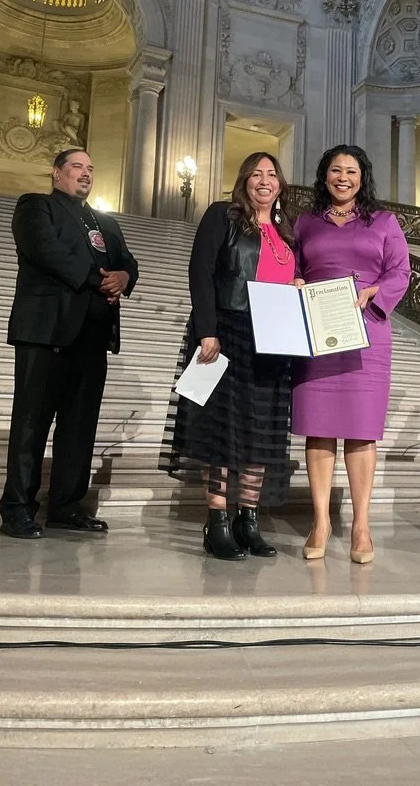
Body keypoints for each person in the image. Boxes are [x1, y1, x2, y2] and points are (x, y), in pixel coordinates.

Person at [0, 149, 139, 539]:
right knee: (31, 424)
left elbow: (128, 261)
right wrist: (100, 279)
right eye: (77, 166)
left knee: (79, 427)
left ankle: (66, 505)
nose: (86, 173)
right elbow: (46, 251)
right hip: (46, 332)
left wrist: (125, 277)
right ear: (57, 173)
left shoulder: (104, 221)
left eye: (91, 168)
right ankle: (17, 508)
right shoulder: (36, 206)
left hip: (92, 337)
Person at [168, 153, 295, 560]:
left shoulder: (285, 231)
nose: (265, 180)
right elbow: (200, 270)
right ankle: (218, 521)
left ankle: (248, 520)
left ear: (280, 185)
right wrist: (207, 329)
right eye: (256, 173)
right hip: (227, 331)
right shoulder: (222, 215)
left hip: (272, 342)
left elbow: (285, 278)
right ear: (244, 180)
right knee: (221, 431)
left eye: (272, 174)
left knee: (260, 433)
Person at [292, 145, 410, 564]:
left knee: (361, 430)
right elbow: (295, 266)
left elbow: (400, 270)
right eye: (336, 170)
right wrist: (297, 282)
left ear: (363, 177)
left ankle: (361, 525)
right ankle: (320, 522)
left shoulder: (383, 221)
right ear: (324, 175)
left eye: (352, 171)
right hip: (317, 332)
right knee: (318, 428)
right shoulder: (306, 222)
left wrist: (375, 292)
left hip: (367, 331)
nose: (343, 177)